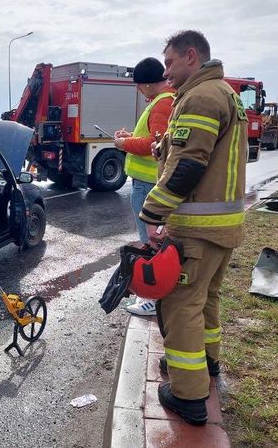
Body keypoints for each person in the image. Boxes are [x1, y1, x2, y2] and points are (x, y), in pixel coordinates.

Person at [139, 30, 247, 425]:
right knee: (207, 299)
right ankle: (207, 364)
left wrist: (152, 213)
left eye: (168, 63)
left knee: (181, 305)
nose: (165, 72)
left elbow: (190, 166)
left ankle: (188, 394)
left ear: (189, 56)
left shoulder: (200, 97)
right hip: (223, 227)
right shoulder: (226, 94)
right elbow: (200, 154)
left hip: (198, 228)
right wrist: (165, 147)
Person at [114, 57, 175, 317]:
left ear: (149, 84)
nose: (139, 90)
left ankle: (151, 297)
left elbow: (156, 145)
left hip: (147, 183)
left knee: (148, 240)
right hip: (151, 181)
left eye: (140, 86)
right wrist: (132, 138)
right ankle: (157, 293)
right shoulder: (166, 100)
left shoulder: (162, 104)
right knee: (155, 238)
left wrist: (124, 145)